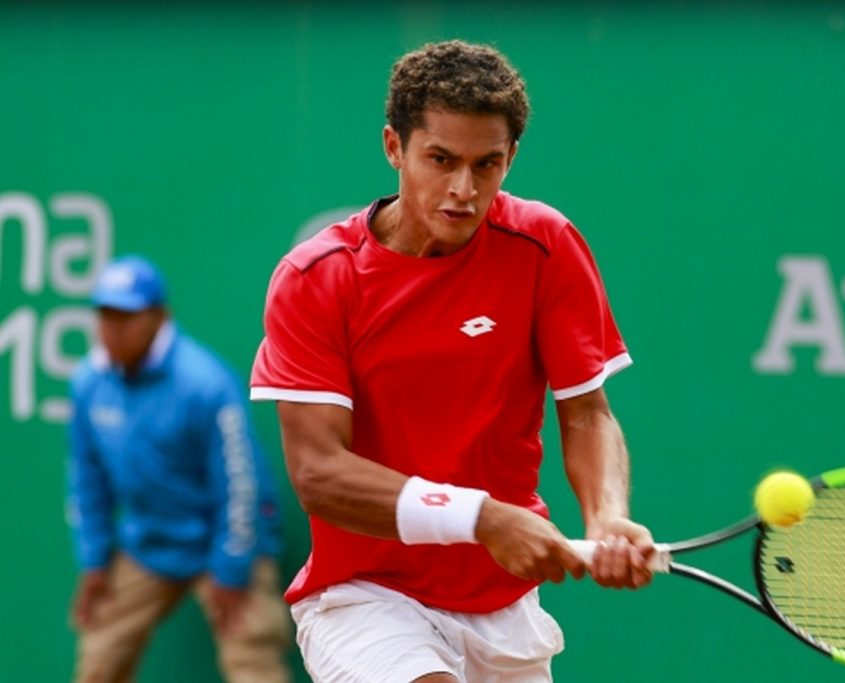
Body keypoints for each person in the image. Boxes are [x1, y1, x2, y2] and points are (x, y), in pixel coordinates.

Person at [250, 39, 654, 682]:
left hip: (502, 606)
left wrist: (606, 517)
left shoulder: (544, 245)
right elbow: (319, 474)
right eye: (441, 160)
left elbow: (586, 413)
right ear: (394, 148)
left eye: (486, 165)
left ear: (510, 158)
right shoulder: (316, 277)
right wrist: (482, 518)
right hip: (367, 596)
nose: (464, 190)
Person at [66, 255, 293, 683]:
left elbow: (241, 485)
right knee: (97, 660)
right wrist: (95, 560)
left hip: (224, 545)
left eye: (127, 316)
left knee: (252, 663)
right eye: (105, 315)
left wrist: (231, 567)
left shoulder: (204, 384)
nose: (113, 329)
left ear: (158, 318)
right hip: (148, 544)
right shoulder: (88, 383)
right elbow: (87, 480)